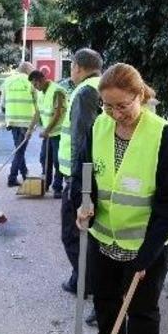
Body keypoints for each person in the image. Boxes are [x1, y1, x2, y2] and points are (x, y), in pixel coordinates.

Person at [72, 63, 168, 334]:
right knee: (106, 301)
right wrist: (84, 202)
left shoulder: (162, 135)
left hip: (147, 244)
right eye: (108, 106)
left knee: (141, 312)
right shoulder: (100, 126)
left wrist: (147, 253)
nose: (115, 114)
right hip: (104, 238)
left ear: (140, 95)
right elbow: (84, 173)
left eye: (122, 105)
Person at [59, 49, 103, 307]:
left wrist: (78, 184)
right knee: (86, 236)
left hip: (81, 177)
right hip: (96, 174)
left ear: (76, 66)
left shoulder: (85, 92)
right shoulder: (102, 86)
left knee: (72, 234)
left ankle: (91, 286)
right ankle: (80, 280)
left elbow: (81, 140)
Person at [28, 70, 67, 198]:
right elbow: (38, 113)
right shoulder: (40, 93)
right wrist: (29, 129)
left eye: (36, 84)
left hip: (58, 134)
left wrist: (46, 131)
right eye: (33, 85)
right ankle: (45, 184)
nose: (35, 87)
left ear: (42, 80)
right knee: (44, 158)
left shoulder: (57, 91)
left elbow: (58, 113)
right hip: (49, 134)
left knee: (57, 161)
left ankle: (57, 187)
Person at [0, 61, 37, 187]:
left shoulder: (8, 81)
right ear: (28, 71)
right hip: (26, 122)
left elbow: (3, 103)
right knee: (20, 151)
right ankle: (12, 177)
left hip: (12, 120)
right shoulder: (31, 81)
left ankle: (25, 173)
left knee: (19, 148)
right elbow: (38, 102)